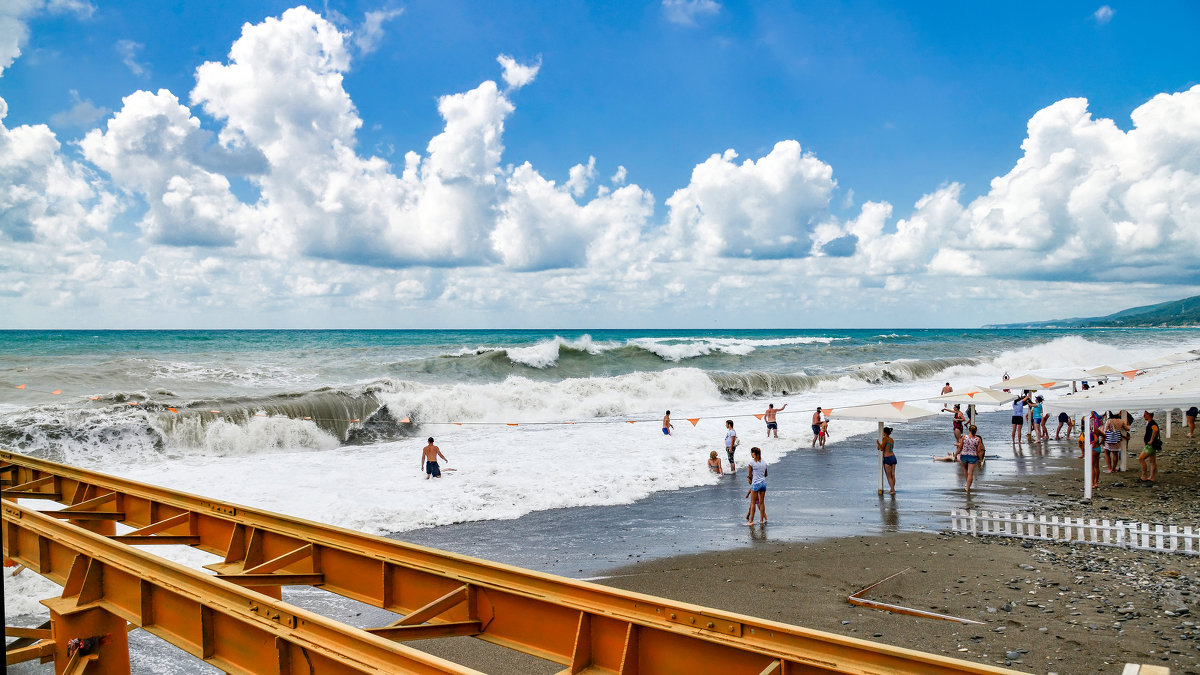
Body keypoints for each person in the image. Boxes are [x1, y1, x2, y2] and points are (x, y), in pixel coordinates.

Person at [956, 424, 984, 494]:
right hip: (973, 456)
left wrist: (956, 454)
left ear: (969, 430)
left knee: (965, 470)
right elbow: (978, 450)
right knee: (970, 472)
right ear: (976, 431)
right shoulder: (978, 439)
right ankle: (968, 487)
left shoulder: (964, 437)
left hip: (964, 455)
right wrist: (980, 459)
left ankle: (967, 483)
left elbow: (960, 447)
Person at [745, 447, 768, 524]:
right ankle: (761, 520)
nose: (751, 454)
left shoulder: (751, 463)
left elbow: (750, 475)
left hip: (756, 484)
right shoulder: (764, 462)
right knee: (762, 503)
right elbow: (766, 474)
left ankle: (751, 520)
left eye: (751, 453)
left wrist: (749, 479)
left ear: (754, 453)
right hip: (763, 484)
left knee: (752, 503)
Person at [1139, 411, 1162, 483]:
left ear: (1149, 415)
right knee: (1152, 461)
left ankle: (1144, 476)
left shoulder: (1152, 423)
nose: (1143, 416)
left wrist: (1151, 440)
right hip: (1152, 445)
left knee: (1141, 458)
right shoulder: (1151, 422)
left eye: (1145, 415)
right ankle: (1152, 477)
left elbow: (1155, 430)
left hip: (1150, 445)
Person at [878, 426, 897, 494]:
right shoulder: (891, 439)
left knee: (889, 476)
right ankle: (892, 489)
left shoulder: (885, 439)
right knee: (893, 475)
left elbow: (881, 448)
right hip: (893, 457)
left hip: (887, 458)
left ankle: (893, 490)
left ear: (884, 433)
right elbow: (891, 448)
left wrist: (878, 443)